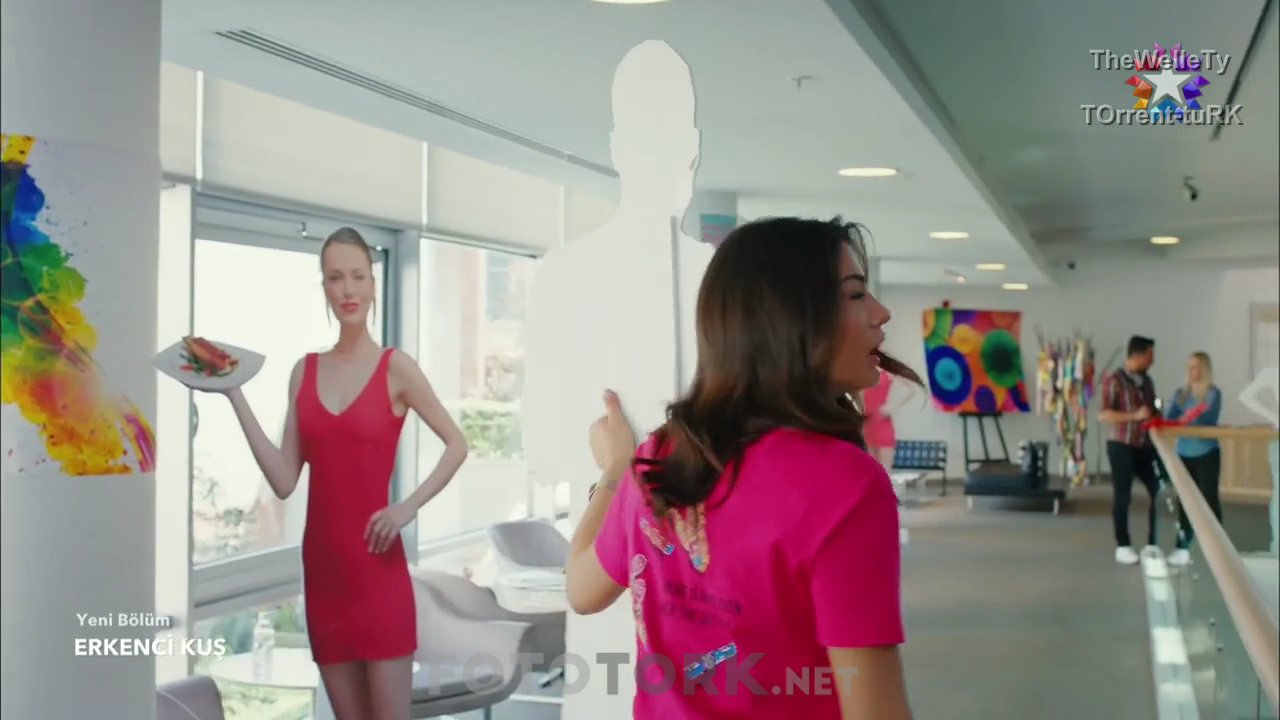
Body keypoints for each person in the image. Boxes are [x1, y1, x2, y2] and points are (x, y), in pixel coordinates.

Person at [565, 217, 919, 719]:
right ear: (787, 319)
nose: (881, 313)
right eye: (856, 294)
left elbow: (581, 590)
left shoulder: (659, 456)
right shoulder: (846, 485)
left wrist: (617, 470)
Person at [522, 40, 713, 719]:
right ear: (617, 147)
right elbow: (542, 446)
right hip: (613, 563)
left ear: (692, 146)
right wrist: (621, 465)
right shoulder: (564, 276)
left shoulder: (712, 276)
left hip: (704, 573)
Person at [216, 228, 468, 720]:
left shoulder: (396, 368)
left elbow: (456, 444)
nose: (347, 290)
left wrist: (406, 507)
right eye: (335, 278)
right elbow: (284, 479)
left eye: (357, 276)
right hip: (324, 577)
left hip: (378, 573)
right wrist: (234, 394)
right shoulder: (304, 370)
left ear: (373, 283)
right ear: (324, 287)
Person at [1098, 335, 1159, 565]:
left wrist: (1159, 413)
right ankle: (1123, 545)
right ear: (1138, 355)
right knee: (1123, 495)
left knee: (1158, 489)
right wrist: (1134, 416)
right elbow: (1104, 415)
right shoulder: (1114, 379)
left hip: (1145, 445)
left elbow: (1152, 408)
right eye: (1150, 356)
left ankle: (1152, 543)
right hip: (1120, 445)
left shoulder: (1148, 381)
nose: (1152, 361)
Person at [1163, 352, 1223, 566]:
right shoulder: (1181, 393)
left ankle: (1218, 550)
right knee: (1184, 502)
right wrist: (1180, 412)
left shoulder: (1213, 393)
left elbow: (1207, 417)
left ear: (1204, 369)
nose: (1191, 371)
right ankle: (1182, 547)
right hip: (1184, 454)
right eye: (1188, 366)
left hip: (1207, 453)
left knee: (1209, 501)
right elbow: (1169, 417)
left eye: (1195, 366)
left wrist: (1187, 418)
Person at [860, 368, 917, 471]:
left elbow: (912, 388)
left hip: (881, 422)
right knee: (871, 470)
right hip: (866, 423)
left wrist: (893, 406)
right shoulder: (862, 368)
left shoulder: (887, 370)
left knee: (884, 471)